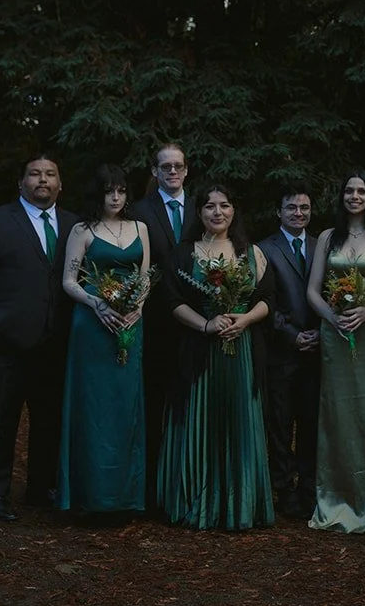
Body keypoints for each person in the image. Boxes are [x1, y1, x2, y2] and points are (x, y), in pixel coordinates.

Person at [0, 155, 78, 519]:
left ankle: (41, 487)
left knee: (49, 418)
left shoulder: (75, 225)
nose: (42, 180)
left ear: (60, 183)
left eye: (50, 174)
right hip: (4, 338)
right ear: (21, 183)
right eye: (34, 174)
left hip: (56, 341)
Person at [158, 184, 275, 530]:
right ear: (199, 213)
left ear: (234, 211)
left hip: (241, 353)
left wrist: (245, 320)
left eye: (224, 205)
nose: (217, 212)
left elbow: (268, 298)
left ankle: (238, 505)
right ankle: (197, 500)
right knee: (200, 420)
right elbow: (170, 300)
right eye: (209, 206)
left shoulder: (251, 252)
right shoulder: (183, 253)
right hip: (198, 354)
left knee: (238, 421)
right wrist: (206, 325)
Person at [306, 170, 365, 534]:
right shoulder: (329, 237)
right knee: (338, 412)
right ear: (342, 196)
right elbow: (313, 290)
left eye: (361, 191)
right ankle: (334, 497)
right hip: (335, 332)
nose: (355, 196)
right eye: (349, 190)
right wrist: (332, 317)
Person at [57, 166, 152, 516]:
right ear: (98, 193)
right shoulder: (83, 230)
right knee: (94, 406)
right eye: (109, 191)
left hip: (129, 322)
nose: (116, 197)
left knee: (125, 405)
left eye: (122, 191)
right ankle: (90, 495)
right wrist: (96, 303)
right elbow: (69, 281)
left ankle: (125, 497)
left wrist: (138, 309)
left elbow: (144, 277)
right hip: (93, 325)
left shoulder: (140, 228)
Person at [131, 143, 200, 483]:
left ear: (186, 171)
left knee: (191, 402)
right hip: (155, 320)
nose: (172, 172)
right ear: (155, 172)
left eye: (178, 166)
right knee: (153, 401)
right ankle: (151, 485)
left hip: (198, 319)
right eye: (165, 167)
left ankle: (185, 479)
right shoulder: (140, 210)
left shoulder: (203, 209)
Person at [258, 185, 322, 518]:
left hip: (318, 349)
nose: (298, 213)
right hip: (282, 350)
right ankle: (284, 489)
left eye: (304, 207)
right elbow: (265, 300)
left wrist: (321, 333)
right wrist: (291, 335)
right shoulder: (264, 249)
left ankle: (309, 488)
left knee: (311, 423)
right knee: (280, 424)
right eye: (291, 208)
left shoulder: (321, 245)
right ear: (279, 212)